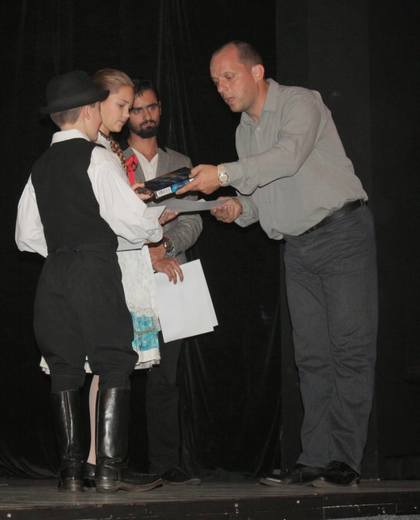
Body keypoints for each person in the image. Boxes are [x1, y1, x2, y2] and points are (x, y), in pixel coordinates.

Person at [178, 41, 378, 488]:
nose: (221, 89)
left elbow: (286, 158)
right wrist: (235, 207)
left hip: (341, 233)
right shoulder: (244, 133)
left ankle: (345, 459)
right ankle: (315, 457)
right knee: (310, 356)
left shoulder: (300, 103)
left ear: (257, 72)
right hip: (298, 247)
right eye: (215, 82)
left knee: (349, 348)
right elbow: (259, 199)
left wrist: (223, 174)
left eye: (228, 77)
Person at [15, 70, 165, 493]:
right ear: (87, 113)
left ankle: (71, 472)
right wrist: (154, 227)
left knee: (64, 368)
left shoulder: (40, 166)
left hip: (54, 273)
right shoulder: (96, 158)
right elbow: (131, 220)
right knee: (115, 360)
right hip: (94, 269)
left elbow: (25, 236)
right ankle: (110, 470)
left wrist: (65, 242)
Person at [123, 78, 203, 485]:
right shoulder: (114, 162)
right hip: (129, 277)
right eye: (137, 109)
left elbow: (193, 219)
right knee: (117, 371)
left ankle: (165, 464)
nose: (146, 115)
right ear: (126, 115)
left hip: (172, 275)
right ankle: (111, 462)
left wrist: (165, 246)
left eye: (152, 107)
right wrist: (147, 254)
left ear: (161, 109)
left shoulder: (180, 161)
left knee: (166, 377)